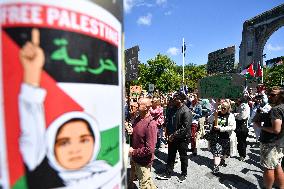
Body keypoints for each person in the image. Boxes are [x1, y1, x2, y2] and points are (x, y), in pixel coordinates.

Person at [19, 29, 118, 189]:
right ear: (51, 146)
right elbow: (32, 133)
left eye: (84, 139)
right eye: (64, 143)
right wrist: (31, 74)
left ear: (94, 142)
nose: (75, 149)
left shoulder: (106, 171)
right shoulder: (45, 176)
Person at [157, 92, 192, 183]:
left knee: (183, 156)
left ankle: (184, 173)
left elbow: (185, 127)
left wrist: (173, 135)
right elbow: (168, 121)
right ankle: (168, 172)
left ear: (180, 100)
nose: (173, 99)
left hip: (182, 139)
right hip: (171, 137)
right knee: (171, 156)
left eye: (175, 98)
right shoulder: (172, 109)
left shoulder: (186, 111)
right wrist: (166, 131)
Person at [256, 86, 284, 189]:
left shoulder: (276, 110)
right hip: (280, 142)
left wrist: (261, 127)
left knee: (268, 168)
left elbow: (276, 129)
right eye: (269, 94)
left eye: (273, 95)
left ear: (280, 96)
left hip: (271, 143)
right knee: (277, 166)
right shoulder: (281, 107)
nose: (269, 96)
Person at [128, 97, 157, 189]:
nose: (136, 105)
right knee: (147, 181)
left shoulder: (151, 124)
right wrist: (131, 130)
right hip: (135, 158)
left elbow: (150, 149)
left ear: (146, 107)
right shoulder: (138, 118)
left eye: (139, 104)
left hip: (143, 162)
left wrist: (133, 152)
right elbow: (137, 131)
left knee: (144, 185)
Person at [208, 101, 236, 173]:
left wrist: (221, 128)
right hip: (216, 136)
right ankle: (216, 166)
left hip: (226, 137)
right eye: (222, 107)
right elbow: (209, 120)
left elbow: (233, 127)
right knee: (217, 151)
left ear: (228, 109)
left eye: (224, 108)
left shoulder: (231, 116)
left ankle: (222, 159)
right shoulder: (217, 113)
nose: (222, 109)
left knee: (225, 152)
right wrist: (213, 115)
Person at [234, 97, 250, 161]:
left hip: (242, 126)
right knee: (239, 141)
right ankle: (241, 154)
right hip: (238, 125)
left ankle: (242, 155)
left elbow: (242, 116)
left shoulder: (244, 105)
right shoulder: (239, 105)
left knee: (242, 141)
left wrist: (235, 115)